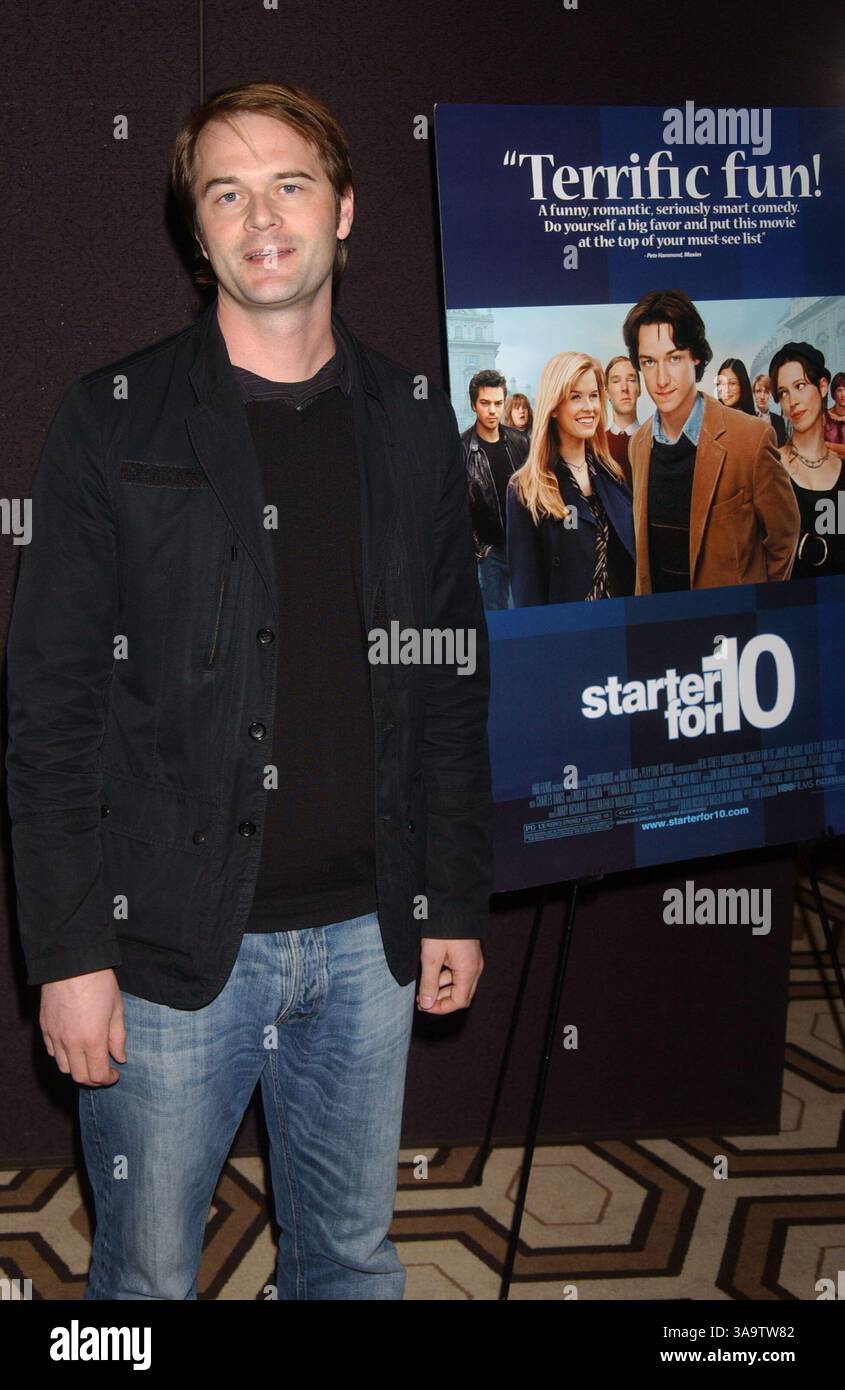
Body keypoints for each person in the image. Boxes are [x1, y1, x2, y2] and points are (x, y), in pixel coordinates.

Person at [4, 81, 494, 1302]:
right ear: (197, 227)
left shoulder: (415, 423)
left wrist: (453, 896)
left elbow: (445, 677)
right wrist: (68, 950)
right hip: (167, 957)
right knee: (149, 1281)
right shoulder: (111, 419)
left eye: (289, 183)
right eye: (226, 191)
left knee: (348, 1261)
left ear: (343, 208)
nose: (260, 214)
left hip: (367, 940)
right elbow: (49, 710)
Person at [622, 289, 800, 592]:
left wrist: (755, 608)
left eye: (674, 358)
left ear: (697, 357)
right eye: (649, 362)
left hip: (729, 630)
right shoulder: (637, 444)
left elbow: (784, 538)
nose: (661, 379)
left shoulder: (751, 439)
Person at [506, 351, 635, 605]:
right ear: (554, 407)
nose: (589, 407)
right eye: (576, 397)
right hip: (570, 633)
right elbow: (526, 592)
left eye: (594, 396)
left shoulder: (612, 473)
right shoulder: (526, 489)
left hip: (622, 626)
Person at [769, 342, 845, 578]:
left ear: (822, 387)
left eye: (800, 386)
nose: (792, 401)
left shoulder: (842, 470)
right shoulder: (771, 467)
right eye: (783, 393)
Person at [460, 369, 529, 609]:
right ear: (473, 405)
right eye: (485, 403)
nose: (492, 410)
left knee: (530, 618)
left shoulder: (521, 442)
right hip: (490, 554)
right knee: (497, 622)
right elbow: (458, 509)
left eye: (498, 403)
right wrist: (480, 549)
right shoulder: (462, 449)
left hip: (523, 548)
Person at [603, 354, 641, 486]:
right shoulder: (597, 446)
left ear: (639, 389)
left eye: (631, 380)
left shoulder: (654, 441)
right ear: (606, 392)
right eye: (616, 381)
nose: (624, 388)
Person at [752, 372, 788, 446]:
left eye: (766, 392)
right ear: (754, 394)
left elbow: (782, 447)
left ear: (771, 394)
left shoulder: (779, 421)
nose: (762, 396)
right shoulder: (747, 417)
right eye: (758, 391)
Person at [823, 369, 845, 461]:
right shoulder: (824, 416)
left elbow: (823, 445)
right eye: (839, 390)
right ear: (833, 393)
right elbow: (816, 445)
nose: (843, 394)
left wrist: (827, 445)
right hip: (829, 467)